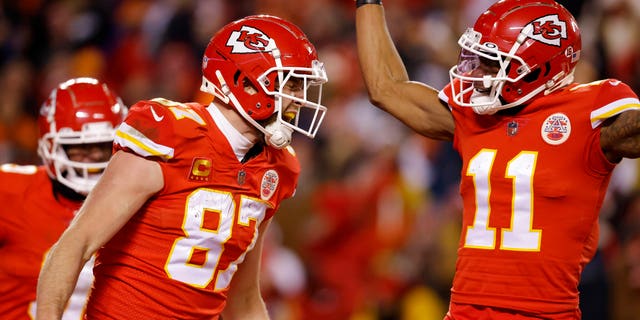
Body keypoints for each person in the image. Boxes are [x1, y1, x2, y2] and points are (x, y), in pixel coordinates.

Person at [354, 0, 640, 319]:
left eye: (493, 62)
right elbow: (386, 88)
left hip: (544, 313)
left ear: (538, 68)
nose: (478, 72)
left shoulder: (588, 114)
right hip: (463, 311)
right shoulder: (475, 116)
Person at [35, 14, 328, 320]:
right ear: (247, 82)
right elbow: (75, 244)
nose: (299, 99)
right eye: (292, 84)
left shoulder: (278, 168)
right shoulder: (172, 134)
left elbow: (242, 298)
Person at [0, 77, 127, 319]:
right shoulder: (11, 192)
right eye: (79, 148)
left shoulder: (138, 202)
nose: (94, 159)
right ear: (50, 146)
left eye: (102, 146)